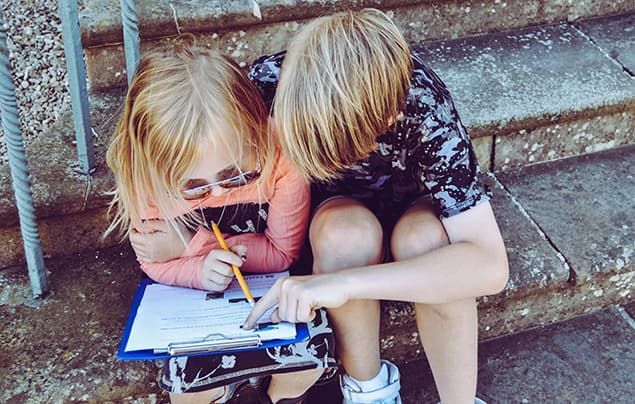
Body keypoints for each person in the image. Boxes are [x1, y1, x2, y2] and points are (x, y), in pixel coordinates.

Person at [243, 9, 509, 404]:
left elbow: (489, 265)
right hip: (334, 217)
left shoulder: (422, 105)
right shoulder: (269, 83)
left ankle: (460, 400)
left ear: (387, 116)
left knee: (426, 241)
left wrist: (345, 284)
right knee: (344, 234)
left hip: (414, 209)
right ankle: (369, 390)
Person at [105, 44, 335, 404]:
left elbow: (281, 253)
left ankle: (275, 398)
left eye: (236, 176)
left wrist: (187, 245)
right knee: (190, 390)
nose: (216, 192)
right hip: (193, 301)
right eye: (193, 188)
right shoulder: (144, 176)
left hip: (273, 287)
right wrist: (196, 269)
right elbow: (152, 261)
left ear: (256, 130)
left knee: (307, 362)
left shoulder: (281, 156)